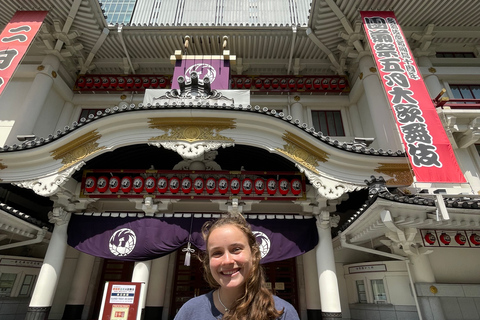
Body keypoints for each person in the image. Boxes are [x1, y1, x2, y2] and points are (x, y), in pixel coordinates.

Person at [174, 214, 300, 320]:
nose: (227, 261)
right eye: (217, 253)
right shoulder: (190, 312)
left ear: (254, 254)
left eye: (236, 249)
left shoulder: (281, 313)